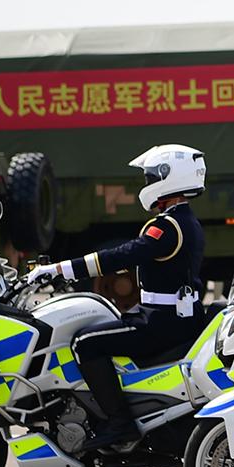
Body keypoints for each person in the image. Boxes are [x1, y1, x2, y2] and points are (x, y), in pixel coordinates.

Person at [28, 144, 207, 451]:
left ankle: (120, 423)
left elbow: (122, 255)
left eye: (151, 178)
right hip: (175, 317)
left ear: (169, 177)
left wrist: (60, 269)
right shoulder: (184, 220)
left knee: (84, 343)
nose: (147, 184)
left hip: (161, 322)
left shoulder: (168, 227)